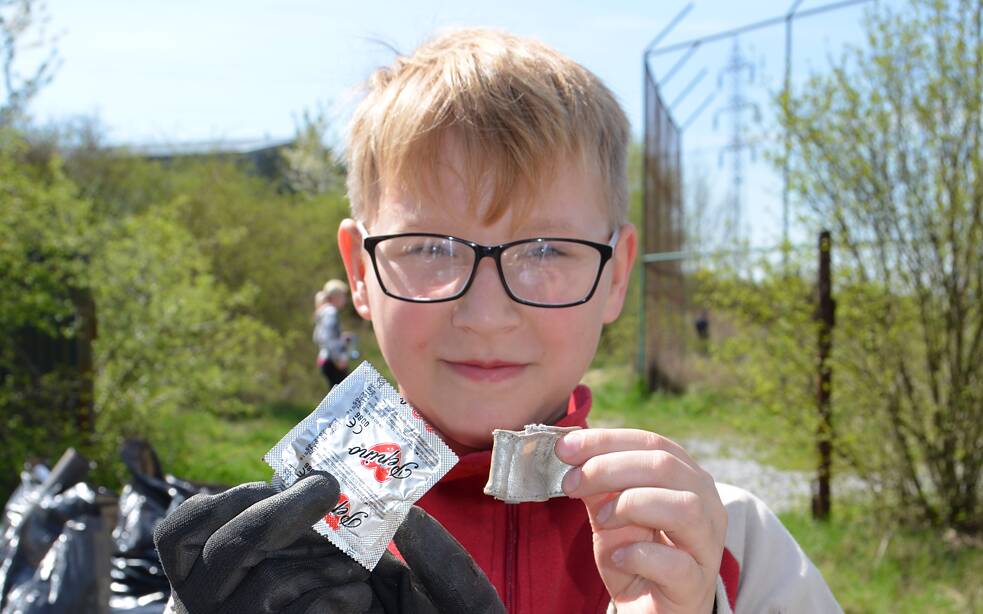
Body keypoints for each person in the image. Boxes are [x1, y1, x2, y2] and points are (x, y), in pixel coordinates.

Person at [154, 28, 842, 613]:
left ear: (616, 276)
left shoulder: (723, 542)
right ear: (360, 273)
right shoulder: (275, 550)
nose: (485, 315)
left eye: (546, 249)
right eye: (428, 248)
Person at [313, 279, 350, 388]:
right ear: (336, 296)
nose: (345, 299)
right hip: (332, 360)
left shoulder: (323, 311)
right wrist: (338, 358)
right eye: (343, 296)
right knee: (346, 397)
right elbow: (327, 337)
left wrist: (340, 337)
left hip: (325, 359)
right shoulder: (330, 312)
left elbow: (318, 337)